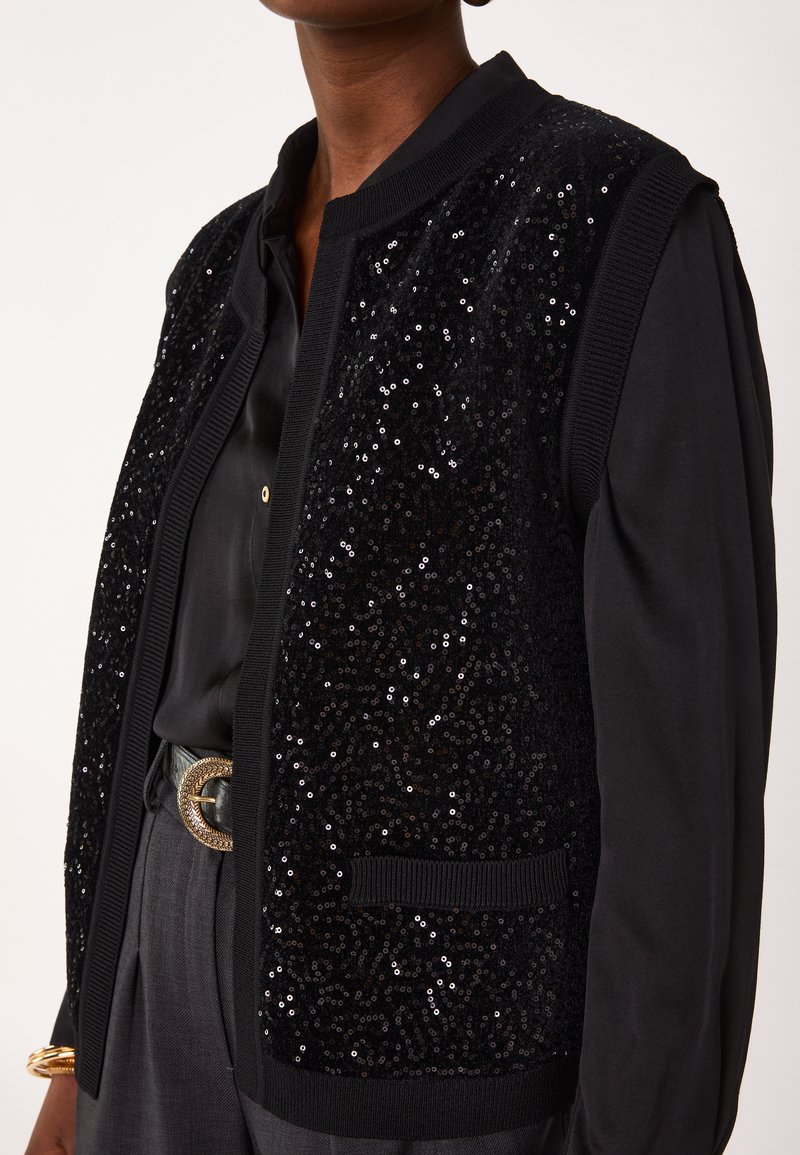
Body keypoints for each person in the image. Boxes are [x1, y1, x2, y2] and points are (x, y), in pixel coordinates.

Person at [25, 1, 777, 1153]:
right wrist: (85, 1033)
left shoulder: (612, 222)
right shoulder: (220, 265)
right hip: (156, 976)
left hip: (438, 1045)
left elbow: (682, 786)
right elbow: (136, 664)